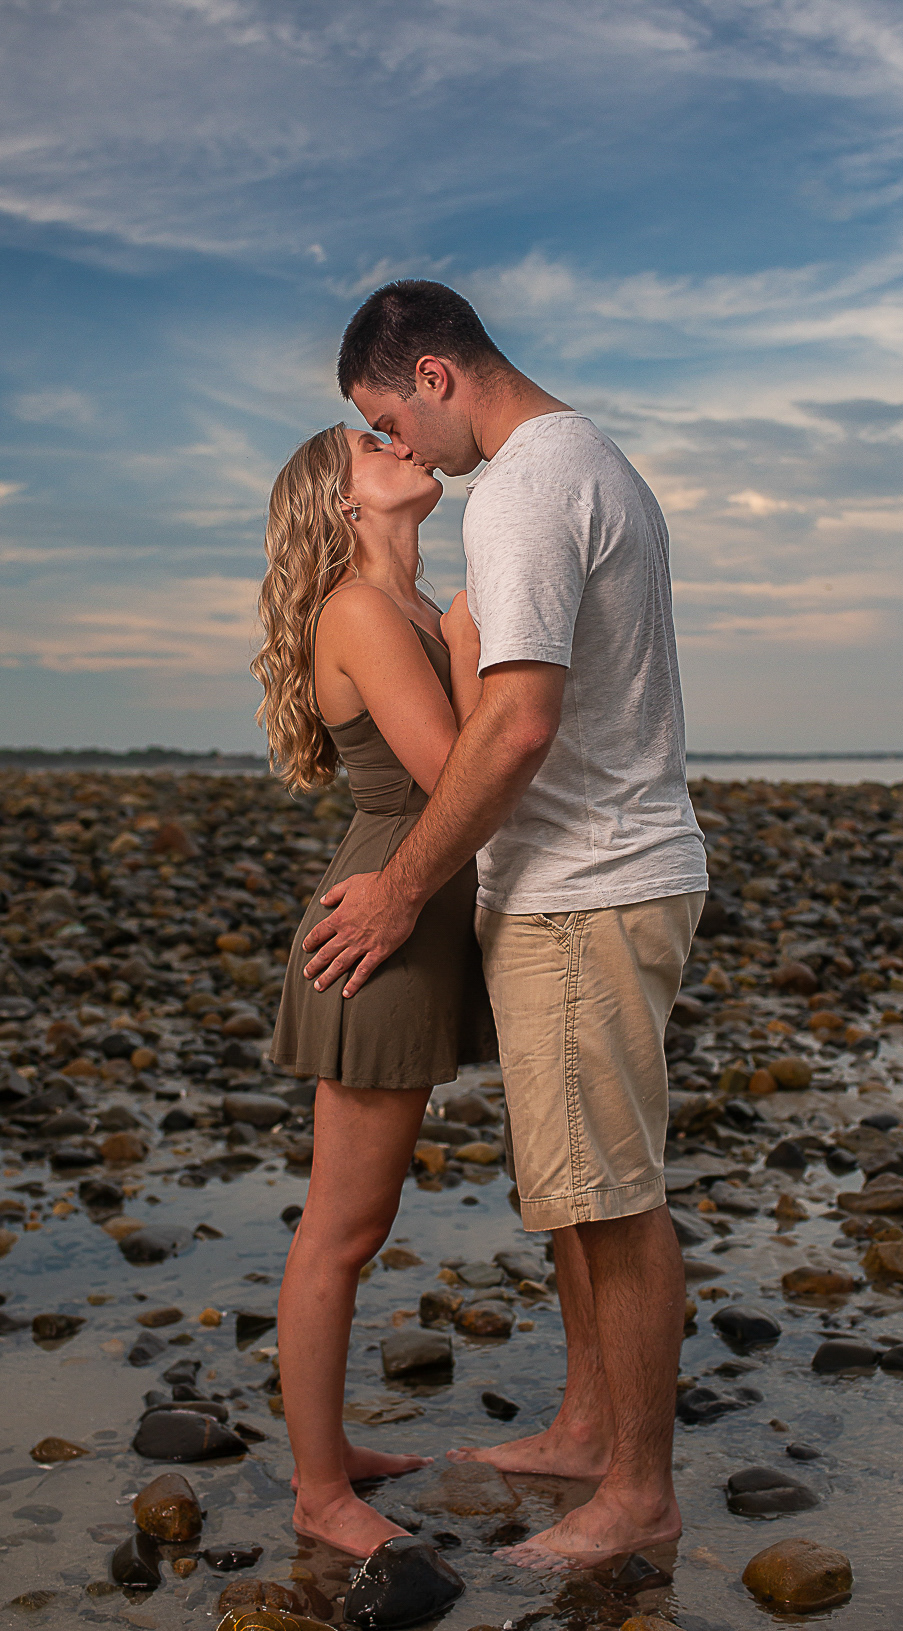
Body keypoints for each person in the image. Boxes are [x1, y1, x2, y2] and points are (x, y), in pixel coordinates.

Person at [301, 280, 709, 1568]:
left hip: (585, 878)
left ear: (431, 374)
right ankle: (592, 1428)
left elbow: (513, 723)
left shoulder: (526, 488)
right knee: (577, 1192)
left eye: (387, 417)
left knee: (610, 1197)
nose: (400, 447)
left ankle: (635, 1492)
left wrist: (407, 885)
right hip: (586, 872)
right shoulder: (581, 459)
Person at [250, 419, 493, 1600]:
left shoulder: (407, 602)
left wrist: (452, 623)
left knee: (361, 1216)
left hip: (415, 917)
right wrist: (463, 635)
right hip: (379, 928)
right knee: (341, 1227)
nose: (400, 440)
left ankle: (326, 1443)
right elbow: (458, 774)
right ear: (347, 502)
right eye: (372, 441)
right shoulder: (359, 608)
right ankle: (317, 1488)